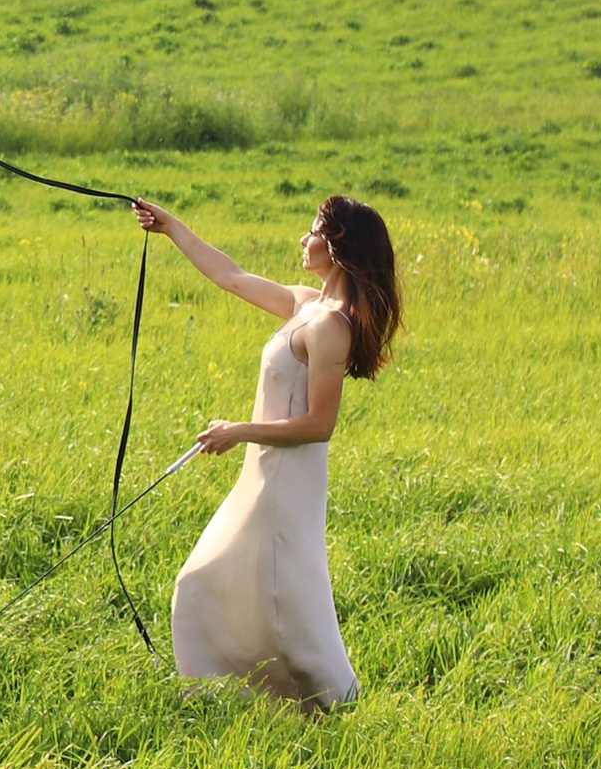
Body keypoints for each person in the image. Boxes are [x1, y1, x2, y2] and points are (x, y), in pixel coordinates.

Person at [128, 191, 401, 709]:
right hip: (262, 474)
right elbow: (229, 276)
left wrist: (239, 431)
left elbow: (320, 425)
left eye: (314, 231)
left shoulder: (330, 327)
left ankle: (332, 700)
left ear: (338, 246)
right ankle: (229, 694)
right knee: (210, 581)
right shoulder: (306, 304)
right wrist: (170, 226)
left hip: (284, 480)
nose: (303, 239)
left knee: (276, 596)